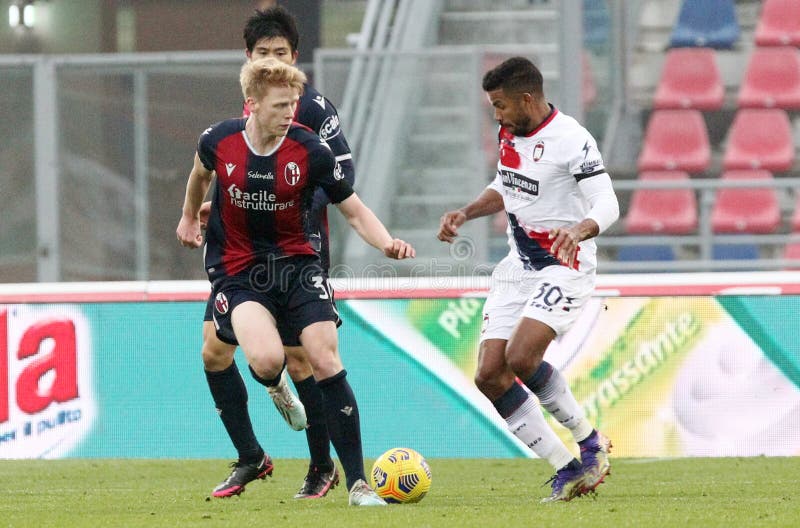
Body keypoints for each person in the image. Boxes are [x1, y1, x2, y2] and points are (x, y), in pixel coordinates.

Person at [177, 57, 414, 506]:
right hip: (240, 272)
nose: (290, 113)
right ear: (252, 105)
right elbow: (199, 176)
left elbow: (353, 208)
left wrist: (386, 243)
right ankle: (276, 386)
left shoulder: (310, 150)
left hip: (299, 266)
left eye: (294, 104)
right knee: (266, 362)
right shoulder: (218, 140)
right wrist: (190, 216)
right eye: (281, 105)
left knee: (325, 359)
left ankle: (359, 484)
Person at [437, 56, 619, 502]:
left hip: (565, 264)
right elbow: (506, 183)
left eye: (499, 106)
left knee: (521, 357)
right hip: (518, 267)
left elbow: (608, 202)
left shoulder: (571, 139)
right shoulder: (510, 132)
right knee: (488, 375)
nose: (495, 116)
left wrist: (578, 230)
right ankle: (567, 468)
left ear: (527, 98)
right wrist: (467, 211)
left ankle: (590, 441)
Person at [196, 6, 357, 500]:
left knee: (301, 358)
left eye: (280, 53)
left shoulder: (309, 110)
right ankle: (251, 456)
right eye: (262, 53)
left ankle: (320, 466)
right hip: (239, 255)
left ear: (296, 56)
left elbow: (342, 181)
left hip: (294, 251)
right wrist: (213, 203)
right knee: (214, 350)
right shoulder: (251, 105)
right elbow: (236, 167)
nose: (271, 60)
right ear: (248, 58)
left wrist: (279, 203)